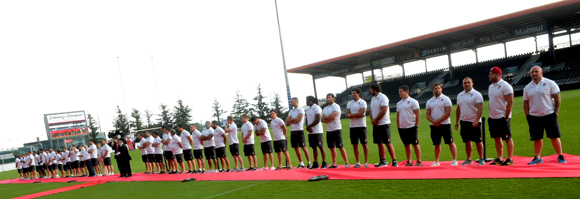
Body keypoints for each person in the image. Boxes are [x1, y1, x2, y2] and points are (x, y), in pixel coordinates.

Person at [524, 66, 566, 165]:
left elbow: (557, 98)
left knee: (554, 137)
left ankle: (560, 155)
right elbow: (525, 103)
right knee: (537, 138)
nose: (534, 73)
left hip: (549, 114)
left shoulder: (550, 83)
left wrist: (556, 112)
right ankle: (538, 158)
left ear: (541, 72)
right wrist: (527, 116)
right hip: (534, 116)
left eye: (536, 71)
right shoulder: (527, 87)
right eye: (532, 72)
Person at [487, 67, 515, 166]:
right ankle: (500, 158)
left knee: (507, 138)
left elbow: (510, 102)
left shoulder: (505, 86)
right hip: (493, 117)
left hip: (503, 116)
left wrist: (506, 115)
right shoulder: (491, 87)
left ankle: (510, 158)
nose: (489, 76)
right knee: (496, 138)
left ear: (497, 74)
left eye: (491, 74)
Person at [425, 82, 458, 166]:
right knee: (436, 144)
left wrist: (438, 121)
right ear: (432, 90)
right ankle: (436, 161)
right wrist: (433, 122)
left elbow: (448, 113)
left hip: (445, 124)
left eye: (438, 88)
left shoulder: (446, 99)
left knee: (450, 142)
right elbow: (427, 114)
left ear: (441, 89)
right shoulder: (429, 101)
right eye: (435, 88)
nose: (437, 90)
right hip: (434, 126)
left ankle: (454, 160)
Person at [455, 77, 485, 166]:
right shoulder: (460, 95)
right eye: (465, 83)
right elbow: (458, 109)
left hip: (474, 121)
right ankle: (469, 159)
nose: (467, 84)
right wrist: (457, 121)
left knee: (478, 141)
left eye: (468, 83)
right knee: (467, 141)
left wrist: (476, 120)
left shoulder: (477, 94)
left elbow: (480, 108)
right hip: (464, 121)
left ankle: (481, 159)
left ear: (472, 83)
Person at [369, 83, 398, 167]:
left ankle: (394, 160)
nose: (370, 91)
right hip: (376, 124)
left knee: (387, 142)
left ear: (375, 89)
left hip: (384, 123)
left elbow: (383, 110)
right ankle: (383, 161)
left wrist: (376, 119)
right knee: (379, 142)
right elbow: (371, 111)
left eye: (371, 89)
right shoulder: (373, 99)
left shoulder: (383, 97)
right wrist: (372, 120)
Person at [396, 85, 422, 166]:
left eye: (401, 91)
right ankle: (409, 161)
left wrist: (416, 126)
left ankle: (419, 161)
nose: (399, 93)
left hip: (411, 126)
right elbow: (398, 116)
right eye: (399, 91)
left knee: (415, 144)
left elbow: (418, 114)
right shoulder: (398, 103)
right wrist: (398, 127)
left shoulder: (413, 101)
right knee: (406, 145)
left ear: (406, 91)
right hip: (402, 128)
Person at [322, 93, 349, 168]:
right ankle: (334, 163)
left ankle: (346, 163)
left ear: (333, 98)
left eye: (329, 98)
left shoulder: (336, 106)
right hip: (329, 130)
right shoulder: (325, 108)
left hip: (336, 129)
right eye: (327, 98)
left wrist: (326, 118)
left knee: (340, 146)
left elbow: (333, 116)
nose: (328, 99)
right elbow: (322, 119)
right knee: (331, 147)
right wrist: (328, 119)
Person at [346, 87, 369, 168]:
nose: (353, 95)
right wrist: (357, 114)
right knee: (355, 145)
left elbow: (361, 113)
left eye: (354, 93)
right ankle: (358, 162)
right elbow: (347, 115)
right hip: (353, 126)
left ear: (359, 94)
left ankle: (366, 162)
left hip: (361, 126)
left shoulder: (363, 102)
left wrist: (351, 115)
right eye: (352, 93)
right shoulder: (349, 103)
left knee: (364, 144)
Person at [285, 97, 311, 169]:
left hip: (299, 130)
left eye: (292, 101)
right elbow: (287, 121)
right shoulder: (291, 111)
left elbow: (298, 120)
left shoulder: (300, 109)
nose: (291, 103)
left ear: (296, 101)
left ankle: (309, 162)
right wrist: (293, 119)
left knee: (303, 147)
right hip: (293, 131)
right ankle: (301, 163)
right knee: (296, 148)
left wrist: (292, 120)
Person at [305, 96, 327, 169]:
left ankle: (324, 163)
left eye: (307, 100)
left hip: (317, 130)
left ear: (311, 100)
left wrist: (309, 126)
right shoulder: (307, 109)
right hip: (311, 131)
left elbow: (318, 120)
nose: (306, 102)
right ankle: (316, 163)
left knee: (320, 146)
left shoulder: (317, 108)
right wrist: (308, 126)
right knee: (314, 147)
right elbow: (307, 120)